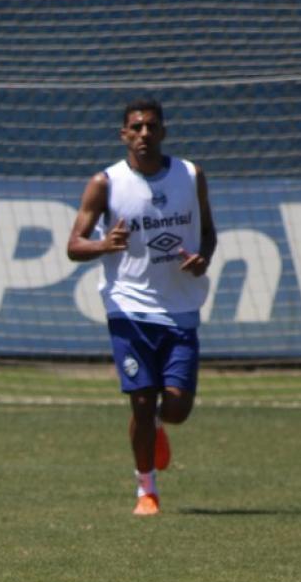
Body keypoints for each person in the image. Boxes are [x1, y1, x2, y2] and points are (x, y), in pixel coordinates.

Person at [66, 98, 217, 516]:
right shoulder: (106, 183)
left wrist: (203, 257)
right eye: (136, 127)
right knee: (141, 400)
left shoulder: (190, 175)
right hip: (127, 307)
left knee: (177, 406)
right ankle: (145, 490)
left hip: (180, 306)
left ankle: (158, 431)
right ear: (124, 135)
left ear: (164, 131)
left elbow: (208, 232)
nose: (144, 134)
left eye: (152, 126)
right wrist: (103, 244)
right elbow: (73, 246)